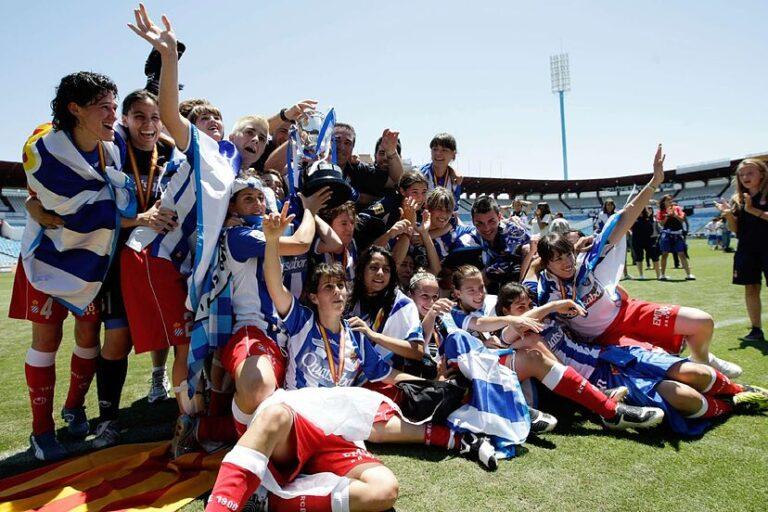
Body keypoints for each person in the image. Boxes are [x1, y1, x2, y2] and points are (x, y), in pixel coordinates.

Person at [262, 209, 499, 471]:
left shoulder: (356, 335)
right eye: (328, 287)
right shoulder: (302, 321)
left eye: (341, 286)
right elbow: (275, 284)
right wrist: (272, 242)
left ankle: (459, 438)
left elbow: (389, 374)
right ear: (314, 296)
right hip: (301, 411)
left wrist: (430, 385)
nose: (337, 292)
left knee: (375, 428)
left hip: (339, 414)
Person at [9, 71, 136, 460]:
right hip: (47, 259)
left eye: (115, 107)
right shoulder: (43, 148)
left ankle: (75, 407)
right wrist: (36, 206)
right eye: (104, 107)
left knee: (87, 337)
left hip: (91, 261)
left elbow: (107, 207)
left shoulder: (112, 149)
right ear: (74, 109)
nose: (113, 115)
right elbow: (70, 209)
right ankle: (41, 430)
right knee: (46, 343)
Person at [536, 145, 742, 378]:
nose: (566, 263)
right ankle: (696, 366)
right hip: (607, 338)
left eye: (567, 255)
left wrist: (654, 182)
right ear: (547, 264)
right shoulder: (547, 291)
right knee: (673, 374)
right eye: (557, 259)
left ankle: (703, 359)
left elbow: (624, 219)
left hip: (629, 311)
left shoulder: (586, 260)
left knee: (702, 322)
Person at [500, 284, 768, 436]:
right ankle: (731, 405)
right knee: (685, 397)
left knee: (698, 373)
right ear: (506, 312)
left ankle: (740, 392)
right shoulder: (519, 340)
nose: (528, 312)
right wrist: (547, 308)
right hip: (602, 380)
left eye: (529, 304)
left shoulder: (548, 321)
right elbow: (505, 333)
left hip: (608, 355)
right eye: (520, 308)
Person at [716, 158, 768, 343]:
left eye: (750, 172)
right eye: (742, 174)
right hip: (747, 249)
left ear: (762, 173)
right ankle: (756, 329)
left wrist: (752, 210)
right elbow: (736, 229)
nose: (745, 177)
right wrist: (729, 215)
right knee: (751, 288)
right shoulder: (737, 198)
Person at [470, 195, 532, 293]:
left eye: (492, 221)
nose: (487, 228)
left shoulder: (514, 232)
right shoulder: (469, 238)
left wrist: (486, 274)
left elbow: (506, 264)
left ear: (499, 217)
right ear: (473, 222)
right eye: (479, 223)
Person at [332, 123, 403, 207]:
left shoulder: (358, 169)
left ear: (353, 147)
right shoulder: (315, 167)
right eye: (336, 141)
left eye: (347, 143)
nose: (341, 147)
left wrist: (391, 152)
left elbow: (394, 180)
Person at [419, 133, 463, 207]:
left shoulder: (455, 180)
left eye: (444, 150)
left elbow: (454, 206)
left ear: (453, 154)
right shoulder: (421, 174)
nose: (438, 153)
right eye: (435, 149)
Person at [657, 194, 695, 280]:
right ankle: (662, 275)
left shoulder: (677, 208)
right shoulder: (660, 212)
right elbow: (661, 224)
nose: (670, 202)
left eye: (671, 200)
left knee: (681, 254)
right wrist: (667, 216)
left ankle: (689, 275)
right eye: (668, 200)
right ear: (663, 202)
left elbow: (682, 220)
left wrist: (674, 215)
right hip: (666, 235)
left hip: (677, 234)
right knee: (664, 254)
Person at [630, 205, 660, 279]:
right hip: (637, 240)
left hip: (648, 240)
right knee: (639, 257)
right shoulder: (633, 219)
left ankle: (659, 275)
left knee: (654, 256)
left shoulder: (649, 218)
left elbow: (651, 228)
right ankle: (641, 275)